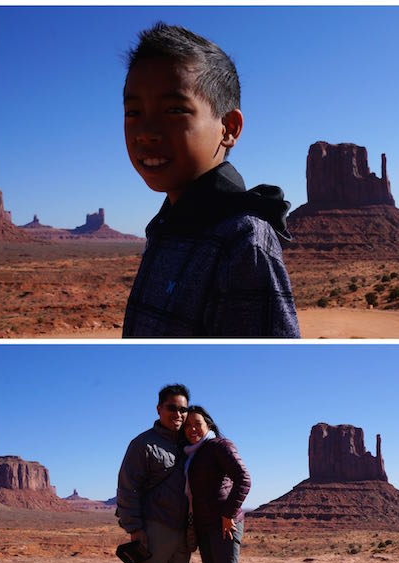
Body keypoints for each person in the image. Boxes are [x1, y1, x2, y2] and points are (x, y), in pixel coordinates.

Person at [121, 22, 300, 337]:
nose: (146, 132)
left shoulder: (244, 241)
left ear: (229, 127)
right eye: (133, 112)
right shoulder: (166, 225)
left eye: (174, 110)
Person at [116, 384, 195, 563]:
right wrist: (136, 530)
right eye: (172, 407)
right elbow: (127, 489)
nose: (178, 413)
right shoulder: (143, 444)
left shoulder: (190, 444)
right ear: (159, 409)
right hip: (153, 528)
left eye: (183, 409)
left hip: (183, 530)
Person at [182, 406, 252, 563]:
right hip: (205, 526)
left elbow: (244, 479)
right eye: (187, 425)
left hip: (225, 524)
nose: (191, 429)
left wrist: (228, 514)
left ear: (207, 424)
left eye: (196, 423)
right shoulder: (193, 453)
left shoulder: (220, 446)